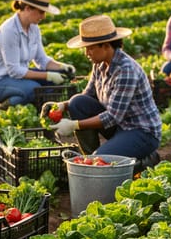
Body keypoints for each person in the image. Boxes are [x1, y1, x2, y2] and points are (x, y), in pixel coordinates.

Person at [42, 15, 162, 171]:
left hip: (141, 132)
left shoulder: (126, 70)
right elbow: (87, 96)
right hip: (120, 127)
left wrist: (74, 125)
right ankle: (90, 156)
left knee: (101, 163)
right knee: (77, 102)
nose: (86, 53)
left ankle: (146, 160)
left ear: (105, 46)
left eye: (90, 48)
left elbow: (112, 117)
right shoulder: (100, 64)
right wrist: (61, 106)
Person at [0, 0, 76, 111]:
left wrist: (61, 67)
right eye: (41, 12)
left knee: (58, 78)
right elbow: (14, 70)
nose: (43, 16)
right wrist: (48, 76)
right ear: (28, 8)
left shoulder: (34, 28)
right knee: (32, 89)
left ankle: (40, 111)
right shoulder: (9, 30)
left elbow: (41, 60)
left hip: (16, 77)